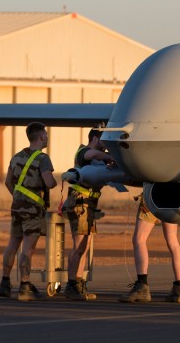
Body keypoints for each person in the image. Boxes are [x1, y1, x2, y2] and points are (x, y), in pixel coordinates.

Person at [0, 122, 57, 301]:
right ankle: (25, 286)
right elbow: (49, 183)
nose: (47, 136)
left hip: (16, 206)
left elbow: (8, 182)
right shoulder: (43, 159)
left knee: (13, 243)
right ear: (40, 136)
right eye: (45, 134)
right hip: (33, 209)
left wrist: (19, 196)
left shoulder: (16, 157)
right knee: (28, 248)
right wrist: (59, 181)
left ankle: (5, 282)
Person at [62, 128, 115, 301]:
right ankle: (71, 285)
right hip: (80, 202)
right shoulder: (83, 151)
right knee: (79, 246)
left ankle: (78, 283)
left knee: (84, 246)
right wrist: (109, 157)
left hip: (89, 203)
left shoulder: (98, 156)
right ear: (95, 138)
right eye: (104, 140)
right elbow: (92, 155)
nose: (106, 145)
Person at [118, 195, 180, 303]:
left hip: (153, 195)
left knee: (139, 239)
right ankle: (179, 289)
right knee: (173, 241)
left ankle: (142, 286)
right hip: (173, 197)